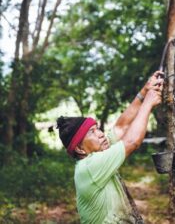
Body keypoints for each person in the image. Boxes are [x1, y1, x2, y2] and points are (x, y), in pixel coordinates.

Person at [56, 71, 164, 224]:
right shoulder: (89, 166)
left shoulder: (101, 152)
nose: (101, 134)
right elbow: (132, 142)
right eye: (92, 132)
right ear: (80, 149)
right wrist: (148, 103)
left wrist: (143, 92)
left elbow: (121, 127)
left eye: (98, 129)